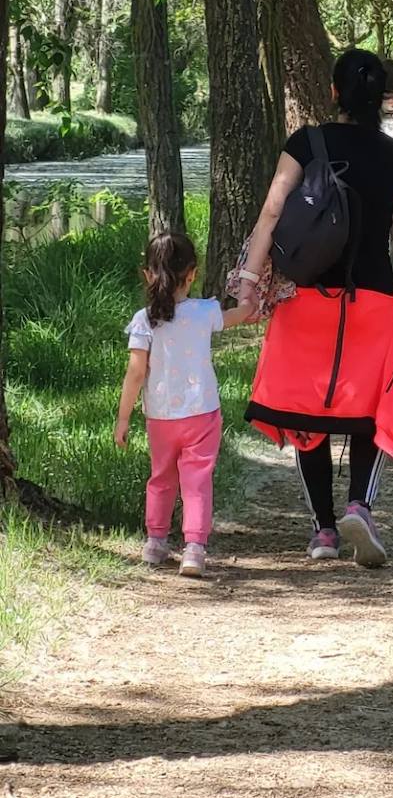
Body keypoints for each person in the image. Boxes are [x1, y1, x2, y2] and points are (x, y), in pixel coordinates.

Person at [241, 49, 393, 567]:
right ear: (384, 99)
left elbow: (272, 211)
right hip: (372, 302)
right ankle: (360, 507)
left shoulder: (306, 143)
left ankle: (324, 532)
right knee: (373, 409)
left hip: (304, 298)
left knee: (307, 414)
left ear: (333, 92)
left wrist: (246, 282)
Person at [114, 232, 257, 578]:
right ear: (192, 273)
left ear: (147, 274)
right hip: (202, 413)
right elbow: (242, 315)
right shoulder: (205, 312)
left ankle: (155, 542)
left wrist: (122, 419)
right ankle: (194, 548)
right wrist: (252, 296)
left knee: (161, 477)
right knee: (196, 481)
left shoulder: (143, 320)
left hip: (160, 417)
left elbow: (135, 374)